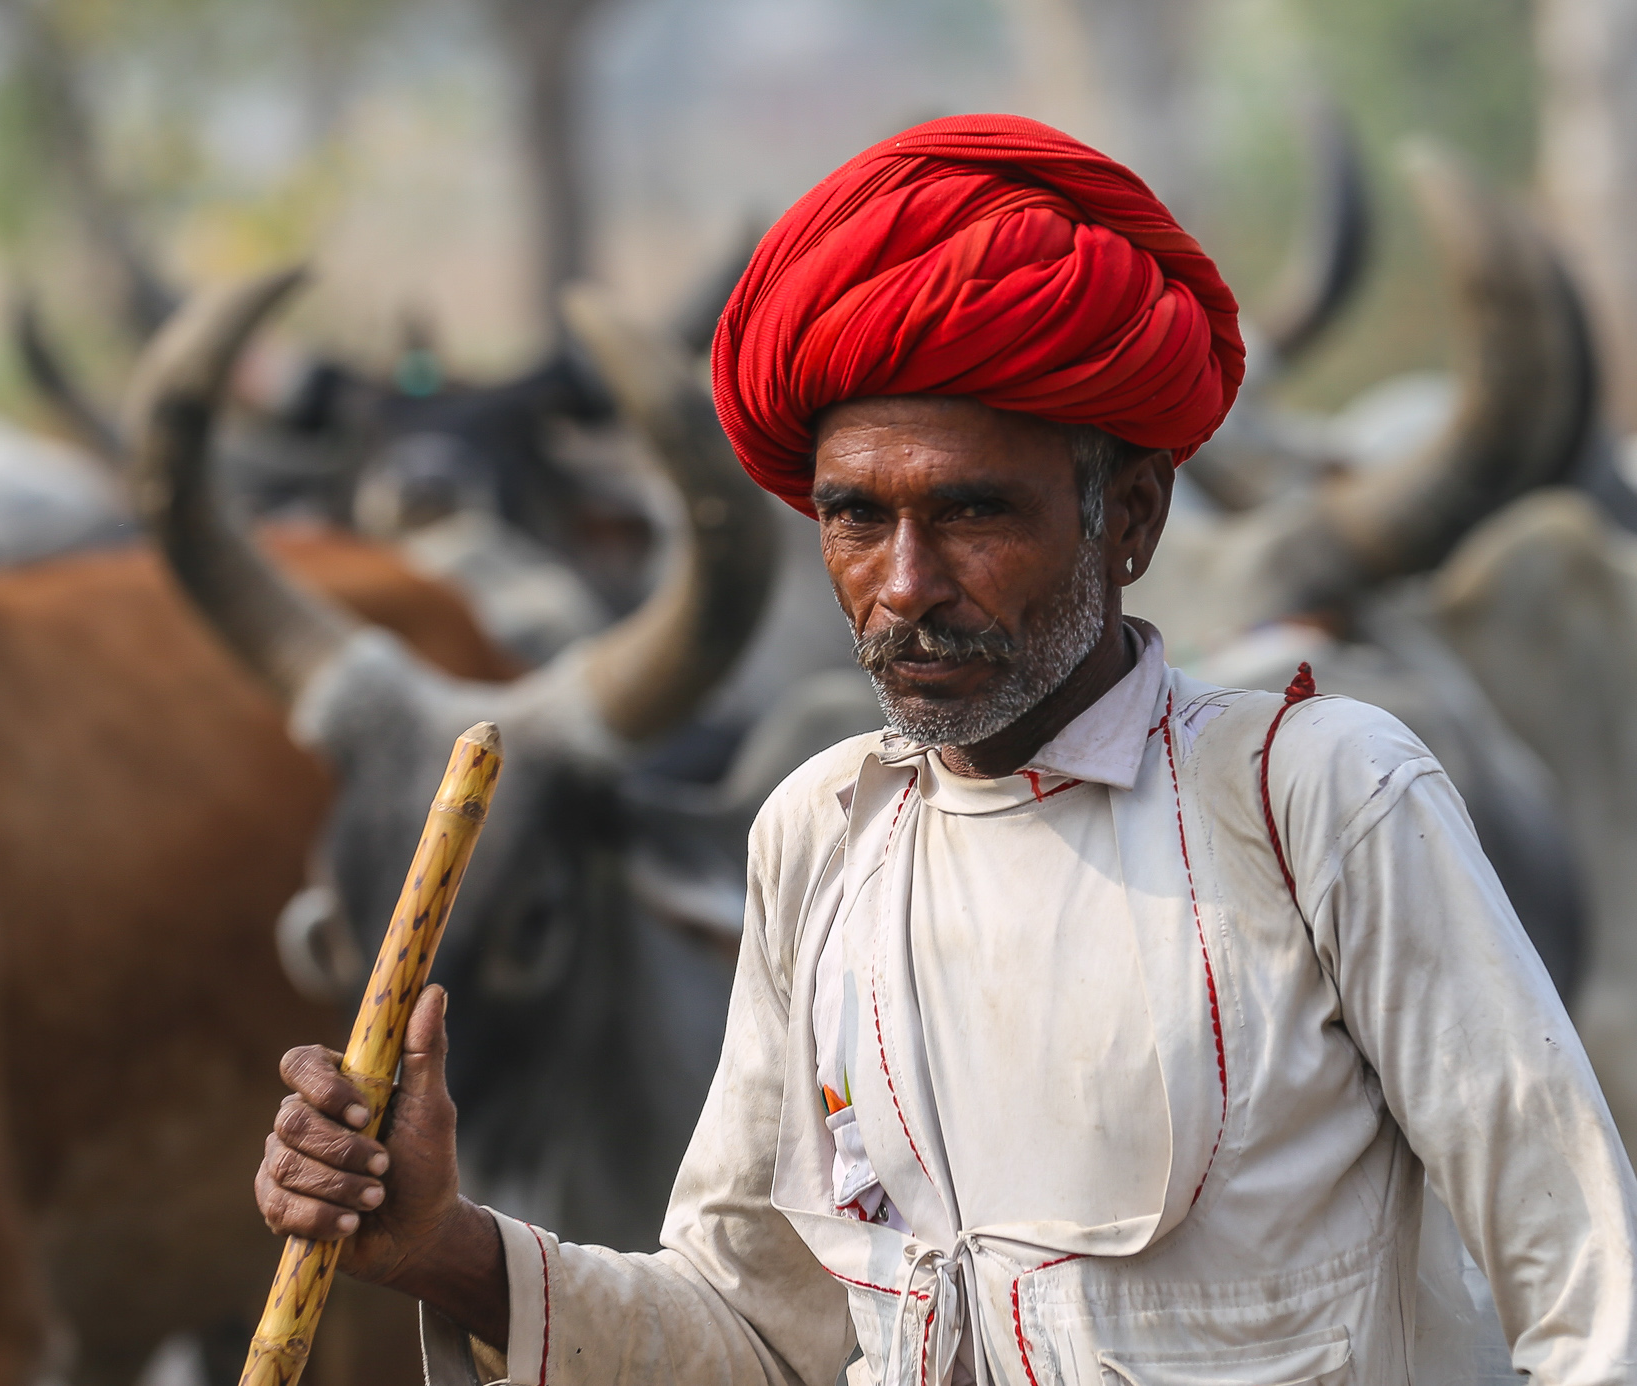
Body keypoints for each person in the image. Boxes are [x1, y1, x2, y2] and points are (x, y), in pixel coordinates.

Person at [254, 115, 1637, 1385]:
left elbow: (1587, 1288)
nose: (904, 583)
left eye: (974, 513)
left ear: (1133, 519)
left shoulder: (1319, 797)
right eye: (855, 518)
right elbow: (752, 1326)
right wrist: (441, 1244)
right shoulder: (819, 839)